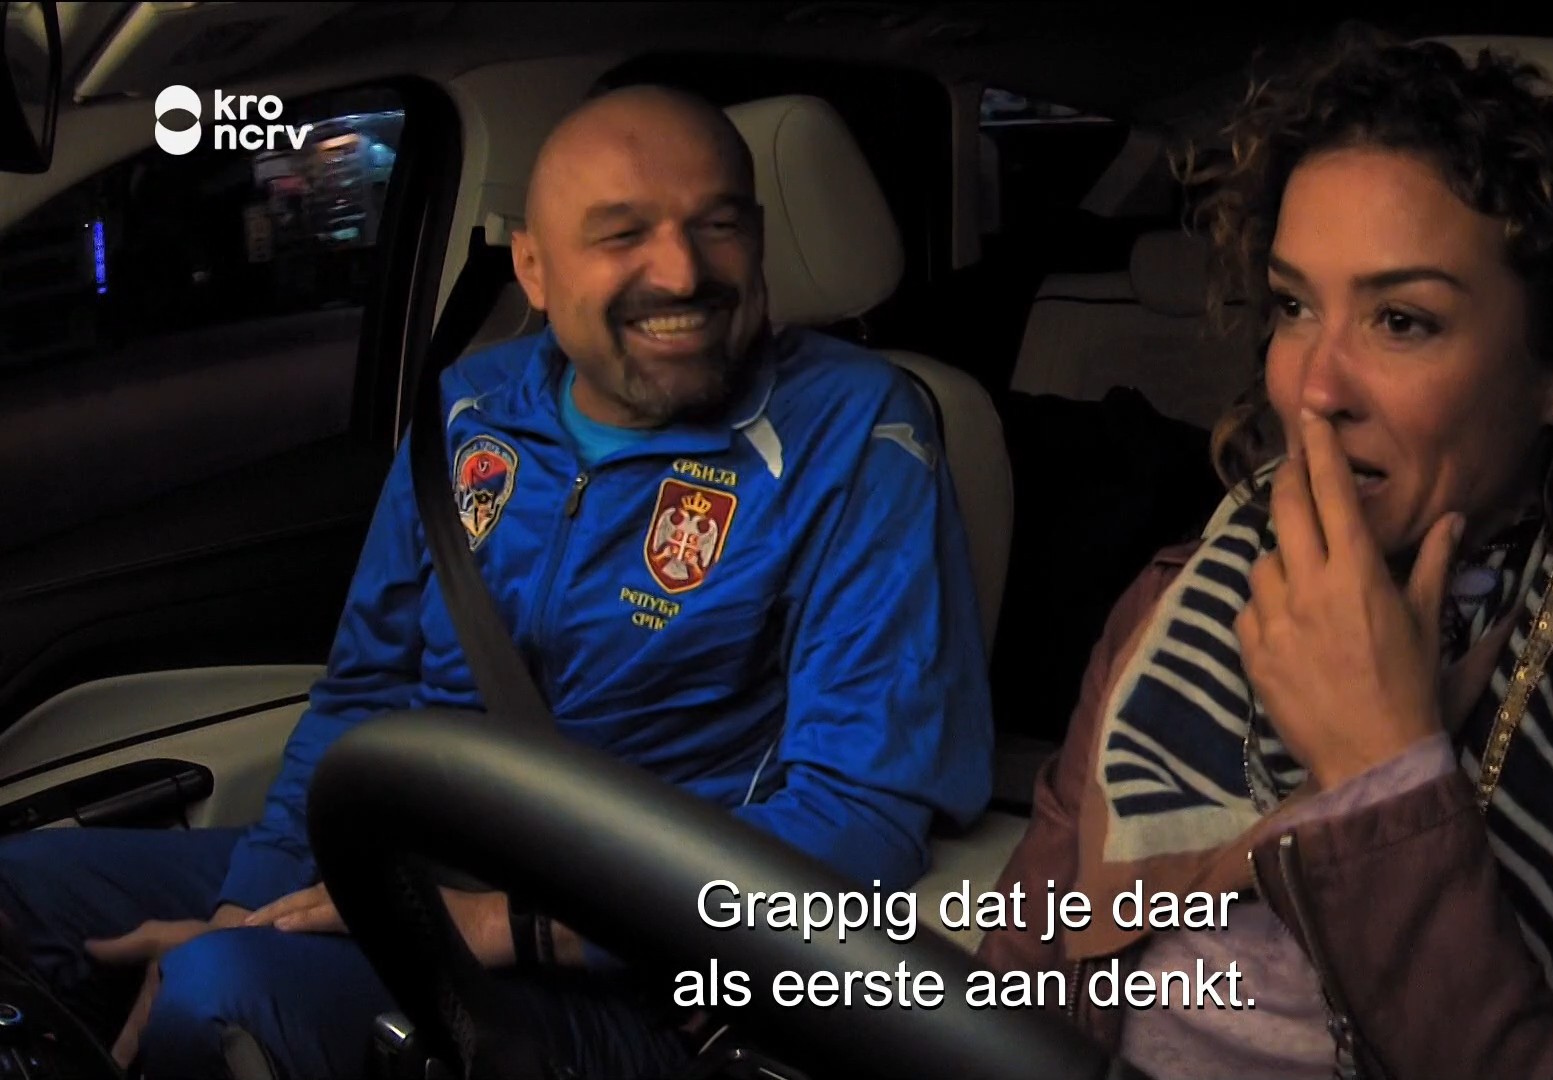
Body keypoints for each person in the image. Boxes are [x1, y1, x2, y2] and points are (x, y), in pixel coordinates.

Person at [0, 84, 994, 1080]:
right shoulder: (472, 408)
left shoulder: (857, 432)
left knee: (224, 994)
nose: (683, 271)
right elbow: (365, 692)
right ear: (533, 267)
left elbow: (861, 815)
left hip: (635, 959)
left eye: (718, 225)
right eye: (623, 234)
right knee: (19, 895)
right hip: (408, 865)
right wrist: (248, 904)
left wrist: (507, 925)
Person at [975, 27, 1553, 1080]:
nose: (1311, 389)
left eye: (1401, 320)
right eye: (1295, 305)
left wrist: (1384, 776)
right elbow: (1022, 983)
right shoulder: (1177, 596)